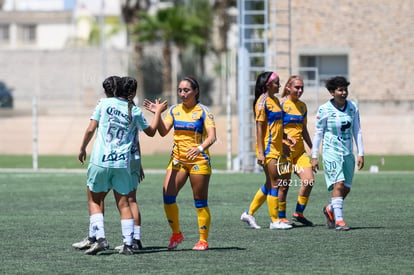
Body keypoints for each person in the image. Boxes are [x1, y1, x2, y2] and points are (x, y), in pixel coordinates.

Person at [77, 76, 166, 255]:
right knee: (125, 203)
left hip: (100, 160)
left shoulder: (104, 104)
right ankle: (128, 243)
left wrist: (82, 148)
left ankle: (100, 238)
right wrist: (158, 112)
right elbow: (151, 132)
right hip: (122, 162)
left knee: (95, 199)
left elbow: (89, 129)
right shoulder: (135, 111)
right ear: (132, 93)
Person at [144, 76, 216, 251]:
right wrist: (158, 114)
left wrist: (199, 148)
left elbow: (212, 137)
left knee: (200, 201)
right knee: (168, 196)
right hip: (178, 160)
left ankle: (203, 240)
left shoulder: (203, 111)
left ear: (195, 91)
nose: (182, 93)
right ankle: (176, 234)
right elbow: (162, 132)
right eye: (180, 90)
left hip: (199, 160)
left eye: (186, 90)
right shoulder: (175, 110)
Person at [240, 71, 294, 230]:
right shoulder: (262, 102)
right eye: (277, 82)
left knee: (270, 183)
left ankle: (248, 213)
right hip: (268, 149)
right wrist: (261, 153)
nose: (279, 85)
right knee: (275, 183)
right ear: (268, 85)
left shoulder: (275, 100)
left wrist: (285, 137)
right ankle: (275, 220)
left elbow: (277, 124)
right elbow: (259, 128)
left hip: (278, 148)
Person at [311, 76, 364, 231]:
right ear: (332, 92)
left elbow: (357, 130)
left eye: (345, 89)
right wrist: (314, 156)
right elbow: (318, 133)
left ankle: (330, 209)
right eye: (340, 90)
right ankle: (339, 221)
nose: (344, 93)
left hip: (348, 152)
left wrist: (361, 153)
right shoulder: (324, 109)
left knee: (346, 187)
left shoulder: (353, 107)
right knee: (339, 184)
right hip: (330, 152)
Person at [278, 75, 315, 226]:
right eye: (297, 87)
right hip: (284, 151)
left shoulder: (302, 106)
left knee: (309, 181)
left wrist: (312, 147)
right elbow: (274, 129)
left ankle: (298, 213)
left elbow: (303, 129)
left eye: (302, 88)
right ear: (288, 87)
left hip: (299, 153)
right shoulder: (280, 105)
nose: (300, 90)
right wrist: (282, 142)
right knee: (284, 185)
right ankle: (281, 217)